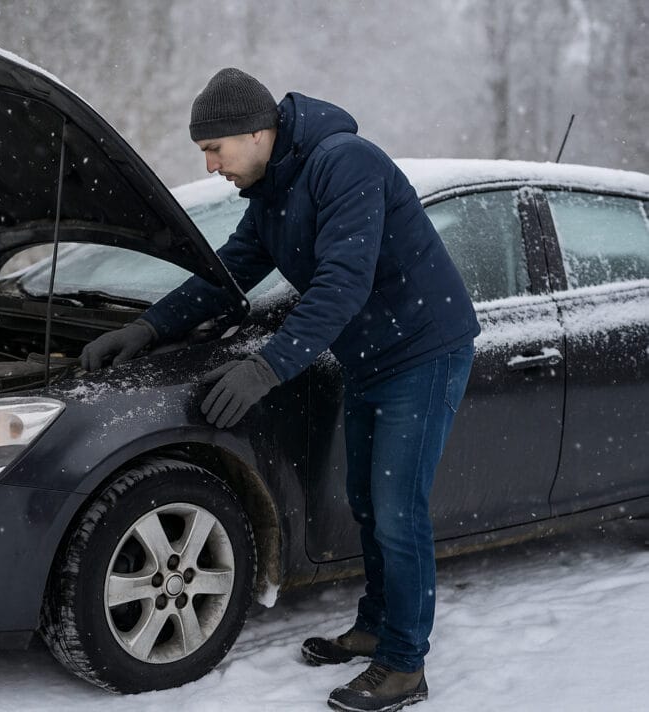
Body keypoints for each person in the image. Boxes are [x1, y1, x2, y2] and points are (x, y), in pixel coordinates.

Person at [79, 68, 480, 711]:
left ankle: (405, 665)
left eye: (216, 149)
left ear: (260, 133)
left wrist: (266, 367)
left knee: (399, 509)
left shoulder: (344, 164)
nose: (211, 165)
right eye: (204, 153)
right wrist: (145, 329)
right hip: (372, 357)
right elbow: (227, 276)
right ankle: (376, 625)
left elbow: (341, 286)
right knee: (367, 502)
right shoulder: (271, 191)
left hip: (424, 351)